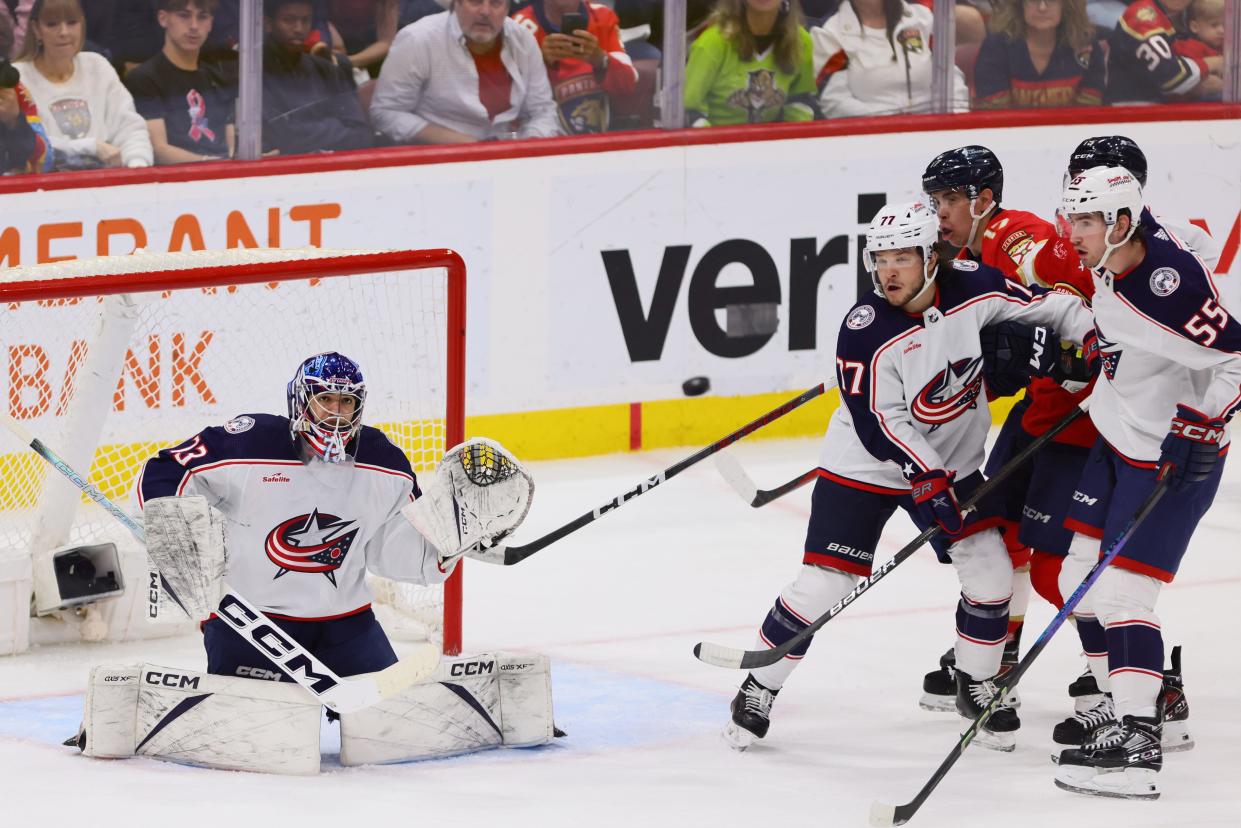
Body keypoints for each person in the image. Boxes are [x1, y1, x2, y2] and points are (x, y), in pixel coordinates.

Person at [723, 201, 1094, 753]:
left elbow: (1050, 308)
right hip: (864, 467)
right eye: (880, 259)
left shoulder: (973, 287)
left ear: (931, 257)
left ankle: (977, 682)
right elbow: (880, 422)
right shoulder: (865, 329)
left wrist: (1089, 340)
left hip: (952, 465)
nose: (888, 271)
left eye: (902, 258)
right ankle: (759, 686)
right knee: (825, 582)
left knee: (990, 569)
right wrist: (926, 477)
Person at [1052, 166, 1240, 800]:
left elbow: (1237, 359)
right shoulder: (1131, 244)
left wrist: (1201, 421)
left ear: (1122, 223)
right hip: (1119, 433)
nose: (1071, 233)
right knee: (1077, 577)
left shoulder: (1166, 293)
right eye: (1071, 218)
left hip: (1168, 456)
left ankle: (1139, 740)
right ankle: (1134, 702)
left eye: (1084, 222)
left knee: (1125, 598)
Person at [915, 146, 1101, 731]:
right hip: (1042, 410)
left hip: (1076, 417)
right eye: (935, 201)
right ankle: (998, 655)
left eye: (949, 201)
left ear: (983, 200)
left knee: (1050, 564)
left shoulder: (1011, 237)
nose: (940, 213)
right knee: (1000, 531)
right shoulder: (966, 251)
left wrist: (1063, 348)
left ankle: (1136, 673)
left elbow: (1071, 292)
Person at [370, 0, 559, 144]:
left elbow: (542, 110)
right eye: (475, 1)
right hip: (438, 159)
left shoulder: (523, 39)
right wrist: (466, 144)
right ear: (456, 3)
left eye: (495, 3)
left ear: (507, 8)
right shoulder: (418, 39)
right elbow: (386, 112)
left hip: (510, 159)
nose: (485, 11)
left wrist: (530, 147)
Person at [12, 0, 152, 169]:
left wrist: (138, 166)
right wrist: (92, 147)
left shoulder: (98, 66)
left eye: (72, 23)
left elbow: (131, 129)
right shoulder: (17, 77)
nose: (64, 32)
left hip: (108, 184)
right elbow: (25, 144)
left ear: (82, 25)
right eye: (52, 24)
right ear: (36, 29)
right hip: (44, 188)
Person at [812, 0, 967, 118]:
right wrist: (891, 123)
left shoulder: (924, 18)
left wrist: (956, 118)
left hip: (937, 130)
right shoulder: (829, 33)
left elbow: (951, 79)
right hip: (870, 139)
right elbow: (835, 102)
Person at [124, 0, 235, 164]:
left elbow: (232, 146)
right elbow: (159, 151)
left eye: (202, 17)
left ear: (211, 23)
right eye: (184, 15)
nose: (194, 26)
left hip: (224, 178)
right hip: (171, 183)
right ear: (163, 19)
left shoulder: (218, 79)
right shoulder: (143, 79)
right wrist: (213, 163)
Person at [262, 0, 372, 155]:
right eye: (289, 20)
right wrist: (333, 125)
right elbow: (282, 137)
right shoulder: (254, 73)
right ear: (268, 23)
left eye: (305, 20)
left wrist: (305, 129)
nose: (299, 29)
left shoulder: (325, 69)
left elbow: (362, 134)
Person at [683, 0, 817, 127]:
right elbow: (689, 111)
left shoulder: (801, 42)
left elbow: (800, 103)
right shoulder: (711, 44)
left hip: (772, 146)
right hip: (715, 146)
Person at [512, 0, 638, 134]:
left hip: (599, 144)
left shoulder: (603, 17)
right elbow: (510, 106)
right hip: (543, 143)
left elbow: (629, 85)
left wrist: (601, 60)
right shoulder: (519, 27)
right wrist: (541, 64)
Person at [973, 0, 1105, 108]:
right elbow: (995, 116)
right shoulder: (996, 46)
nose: (1042, 7)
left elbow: (1087, 116)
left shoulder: (1085, 46)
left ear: (1066, 5)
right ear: (1020, 4)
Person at [1105, 0, 1221, 103]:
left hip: (1163, 109)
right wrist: (1215, 63)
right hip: (1131, 111)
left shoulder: (1187, 15)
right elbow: (1170, 77)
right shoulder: (1142, 16)